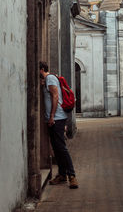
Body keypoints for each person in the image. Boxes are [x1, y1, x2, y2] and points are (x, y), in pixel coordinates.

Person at [39, 61, 79, 189]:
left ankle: (72, 176)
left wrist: (52, 116)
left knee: (61, 148)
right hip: (54, 118)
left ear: (41, 69)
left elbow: (55, 96)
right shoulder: (49, 80)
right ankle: (62, 175)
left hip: (56, 118)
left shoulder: (50, 78)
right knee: (56, 148)